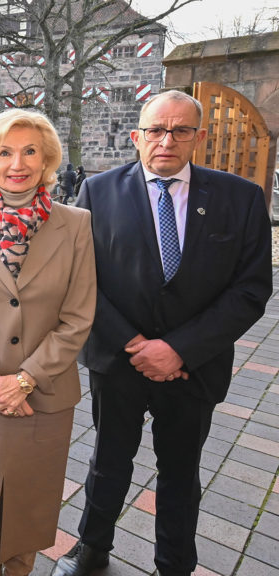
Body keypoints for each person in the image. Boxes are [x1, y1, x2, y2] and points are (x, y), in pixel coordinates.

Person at [53, 90, 272, 576]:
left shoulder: (239, 198)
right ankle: (90, 548)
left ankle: (175, 563)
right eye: (155, 130)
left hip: (194, 368)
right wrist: (136, 345)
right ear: (137, 136)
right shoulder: (99, 192)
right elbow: (80, 279)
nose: (166, 140)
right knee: (108, 462)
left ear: (199, 137)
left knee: (180, 472)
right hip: (119, 362)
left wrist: (178, 350)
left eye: (180, 130)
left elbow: (252, 289)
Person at [0, 109, 96, 576]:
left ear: (46, 157)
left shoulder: (76, 224)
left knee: (27, 509)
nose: (17, 163)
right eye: (5, 152)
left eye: (30, 150)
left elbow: (78, 316)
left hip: (42, 396)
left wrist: (24, 379)